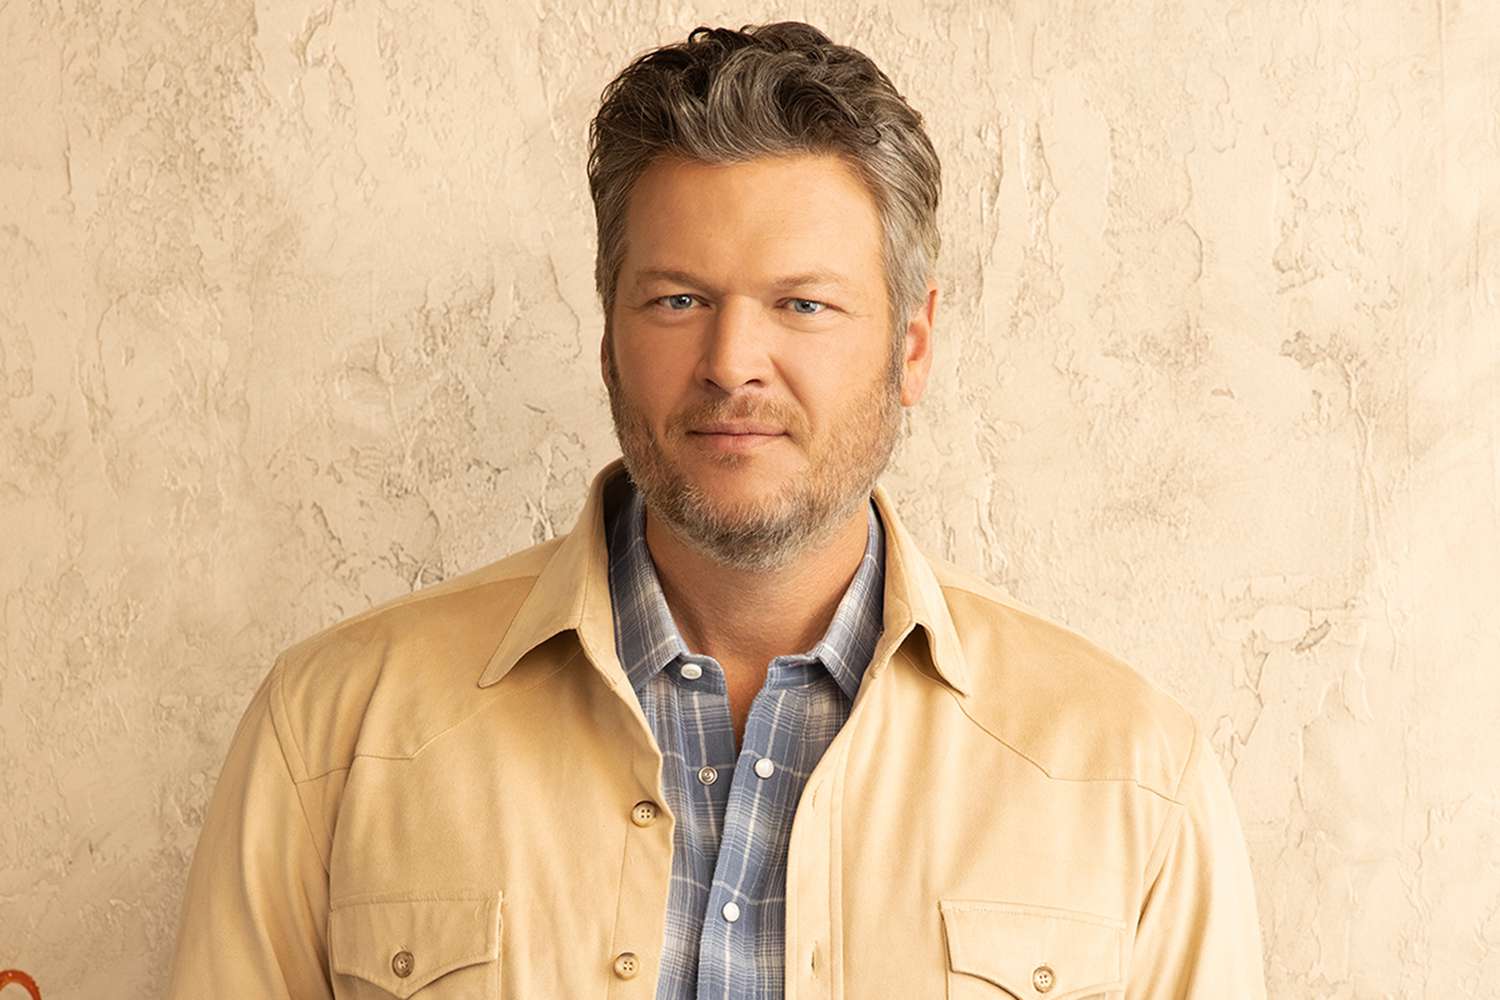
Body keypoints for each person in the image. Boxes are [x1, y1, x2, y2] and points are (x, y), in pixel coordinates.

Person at [167, 20, 1267, 999]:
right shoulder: (334, 733)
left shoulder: (1130, 777)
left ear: (912, 347)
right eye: (679, 299)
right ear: (609, 336)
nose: (733, 361)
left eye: (804, 304)